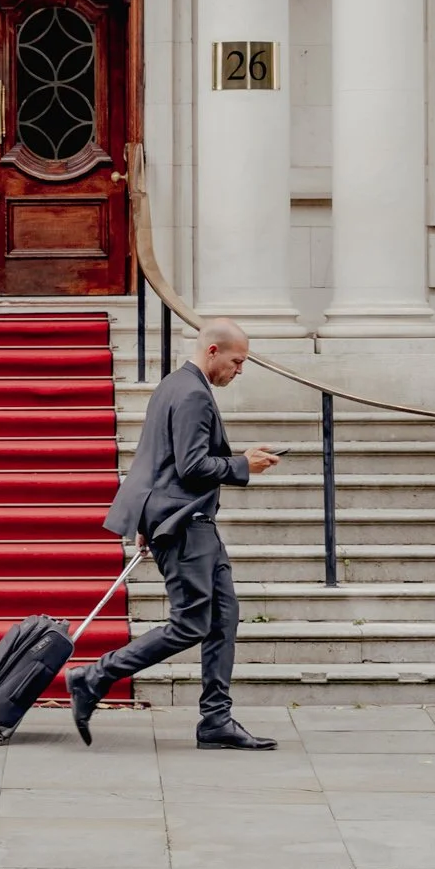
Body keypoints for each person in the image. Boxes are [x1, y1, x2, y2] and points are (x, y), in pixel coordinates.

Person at [66, 317, 280, 749]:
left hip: (183, 520)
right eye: (238, 361)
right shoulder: (193, 395)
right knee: (191, 624)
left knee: (223, 618)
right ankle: (93, 677)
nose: (240, 371)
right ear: (213, 351)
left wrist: (148, 520)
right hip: (185, 526)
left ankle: (216, 720)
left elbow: (154, 460)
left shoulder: (172, 386)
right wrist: (244, 465)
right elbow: (191, 466)